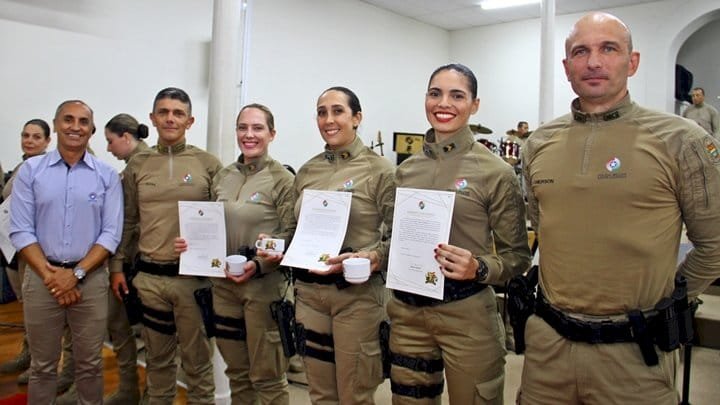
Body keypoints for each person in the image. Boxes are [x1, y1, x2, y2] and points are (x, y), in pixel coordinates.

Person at [520, 12, 720, 404]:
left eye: (608, 48)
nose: (593, 62)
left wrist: (668, 299)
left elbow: (714, 246)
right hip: (547, 351)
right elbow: (542, 225)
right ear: (566, 67)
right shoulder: (539, 144)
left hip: (635, 355)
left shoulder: (682, 141)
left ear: (633, 62)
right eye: (581, 51)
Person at [388, 63, 531, 404]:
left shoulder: (495, 172)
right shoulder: (406, 170)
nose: (444, 103)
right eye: (435, 94)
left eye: (457, 95)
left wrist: (479, 268)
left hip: (466, 313)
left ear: (475, 105)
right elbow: (396, 239)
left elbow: (518, 256)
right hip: (408, 316)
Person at [176, 103, 295, 403]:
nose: (249, 135)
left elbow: (292, 234)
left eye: (257, 128)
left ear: (272, 134)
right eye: (243, 128)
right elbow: (209, 223)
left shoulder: (283, 180)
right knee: (237, 374)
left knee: (268, 378)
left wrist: (259, 263)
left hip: (263, 289)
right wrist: (191, 245)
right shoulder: (224, 176)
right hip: (224, 288)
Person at [110, 87, 222, 404]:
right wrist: (117, 267)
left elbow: (220, 220)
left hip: (193, 282)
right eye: (164, 112)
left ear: (190, 120)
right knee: (158, 365)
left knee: (198, 367)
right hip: (150, 280)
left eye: (178, 113)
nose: (170, 118)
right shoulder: (138, 165)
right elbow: (128, 221)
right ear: (153, 118)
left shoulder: (209, 164)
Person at [9, 100, 124, 404]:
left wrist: (76, 274)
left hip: (90, 280)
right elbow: (21, 230)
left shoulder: (107, 176)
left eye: (83, 121)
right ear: (56, 124)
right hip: (40, 277)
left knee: (90, 366)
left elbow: (111, 235)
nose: (75, 127)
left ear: (92, 129)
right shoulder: (31, 171)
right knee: (43, 366)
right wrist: (53, 277)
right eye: (68, 119)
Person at [293, 86, 395, 404]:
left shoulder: (381, 171)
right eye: (322, 112)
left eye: (337, 111)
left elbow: (399, 237)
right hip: (310, 297)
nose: (328, 119)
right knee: (321, 394)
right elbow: (293, 229)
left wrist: (374, 256)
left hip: (357, 298)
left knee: (354, 394)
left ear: (357, 117)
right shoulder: (307, 171)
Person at [0, 119, 52, 380]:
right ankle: (27, 353)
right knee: (26, 306)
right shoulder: (22, 166)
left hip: (33, 249)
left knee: (38, 309)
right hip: (11, 248)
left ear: (47, 141)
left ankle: (40, 366)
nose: (29, 140)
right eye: (25, 135)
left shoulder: (45, 168)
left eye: (36, 137)